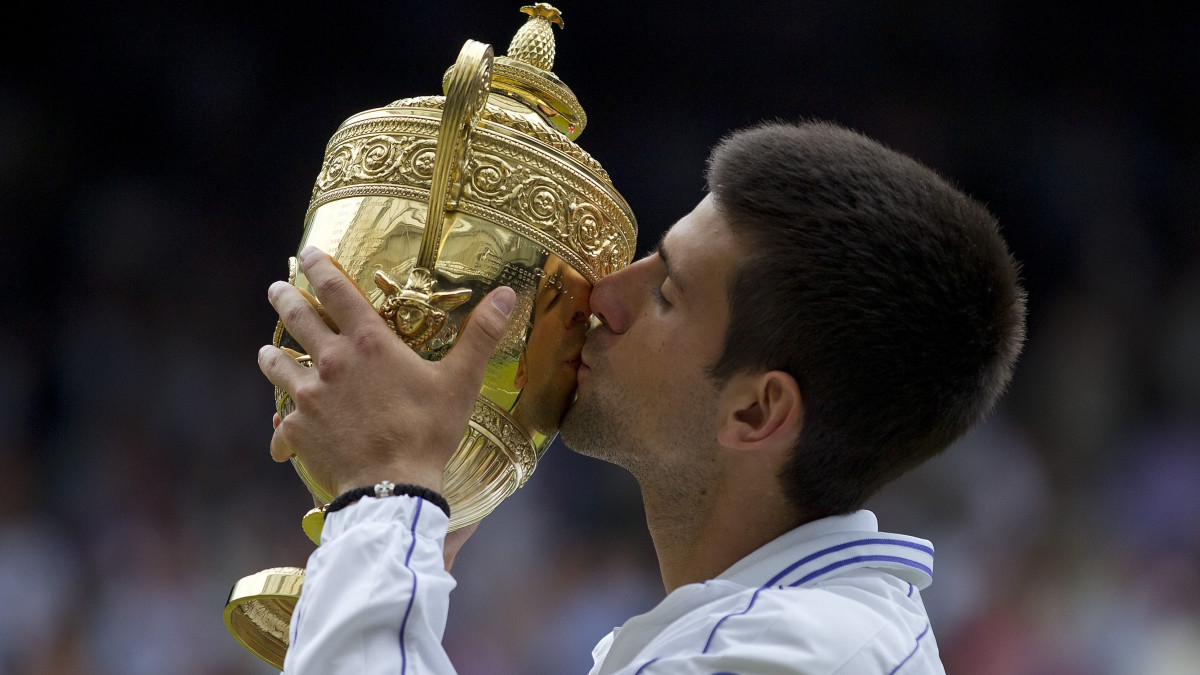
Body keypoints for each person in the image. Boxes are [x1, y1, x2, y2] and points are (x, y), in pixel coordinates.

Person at [258, 120, 1026, 673]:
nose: (603, 296)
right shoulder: (778, 631)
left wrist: (383, 496)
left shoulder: (799, 655)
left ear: (757, 412)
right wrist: (410, 541)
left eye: (666, 292)